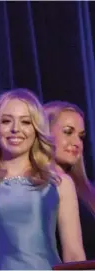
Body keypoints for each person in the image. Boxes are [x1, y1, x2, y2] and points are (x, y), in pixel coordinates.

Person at [0, 89, 86, 269]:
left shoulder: (59, 184)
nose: (15, 129)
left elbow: (74, 253)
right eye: (6, 121)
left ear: (37, 129)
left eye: (26, 122)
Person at [44, 101, 95, 260]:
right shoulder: (39, 190)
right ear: (44, 133)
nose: (76, 143)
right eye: (68, 132)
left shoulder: (86, 191)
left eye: (80, 136)